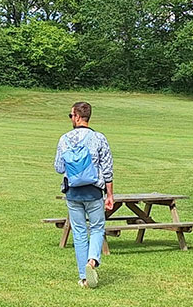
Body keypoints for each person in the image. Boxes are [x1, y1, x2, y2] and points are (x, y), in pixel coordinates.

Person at [54, 102, 114, 288]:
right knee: (97, 228)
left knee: (79, 233)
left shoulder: (64, 139)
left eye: (71, 115)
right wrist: (110, 195)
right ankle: (93, 260)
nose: (70, 119)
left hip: (73, 193)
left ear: (78, 116)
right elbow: (107, 169)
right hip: (94, 192)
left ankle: (84, 277)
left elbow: (58, 167)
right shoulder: (99, 138)